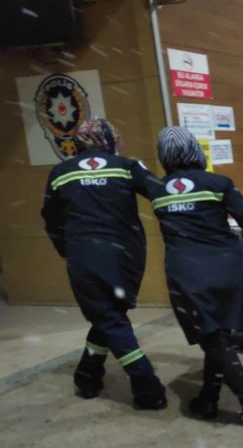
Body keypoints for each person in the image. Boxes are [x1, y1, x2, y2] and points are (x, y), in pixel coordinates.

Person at [41, 118, 167, 409]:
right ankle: (92, 376)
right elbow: (161, 194)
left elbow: (51, 220)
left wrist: (67, 250)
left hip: (84, 257)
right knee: (110, 315)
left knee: (108, 317)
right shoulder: (127, 166)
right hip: (127, 257)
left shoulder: (61, 173)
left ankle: (142, 384)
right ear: (110, 139)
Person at [149, 127, 243, 428]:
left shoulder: (156, 189)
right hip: (226, 268)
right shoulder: (218, 183)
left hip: (187, 271)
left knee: (213, 338)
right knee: (219, 337)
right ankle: (210, 399)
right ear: (194, 150)